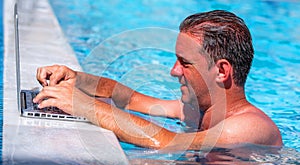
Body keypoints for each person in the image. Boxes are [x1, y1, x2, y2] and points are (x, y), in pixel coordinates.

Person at [33, 10, 282, 150]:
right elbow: (131, 100)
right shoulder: (198, 111)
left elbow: (167, 142)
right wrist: (78, 81)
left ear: (221, 71)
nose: (174, 71)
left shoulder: (249, 127)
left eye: (185, 63)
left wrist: (84, 105)